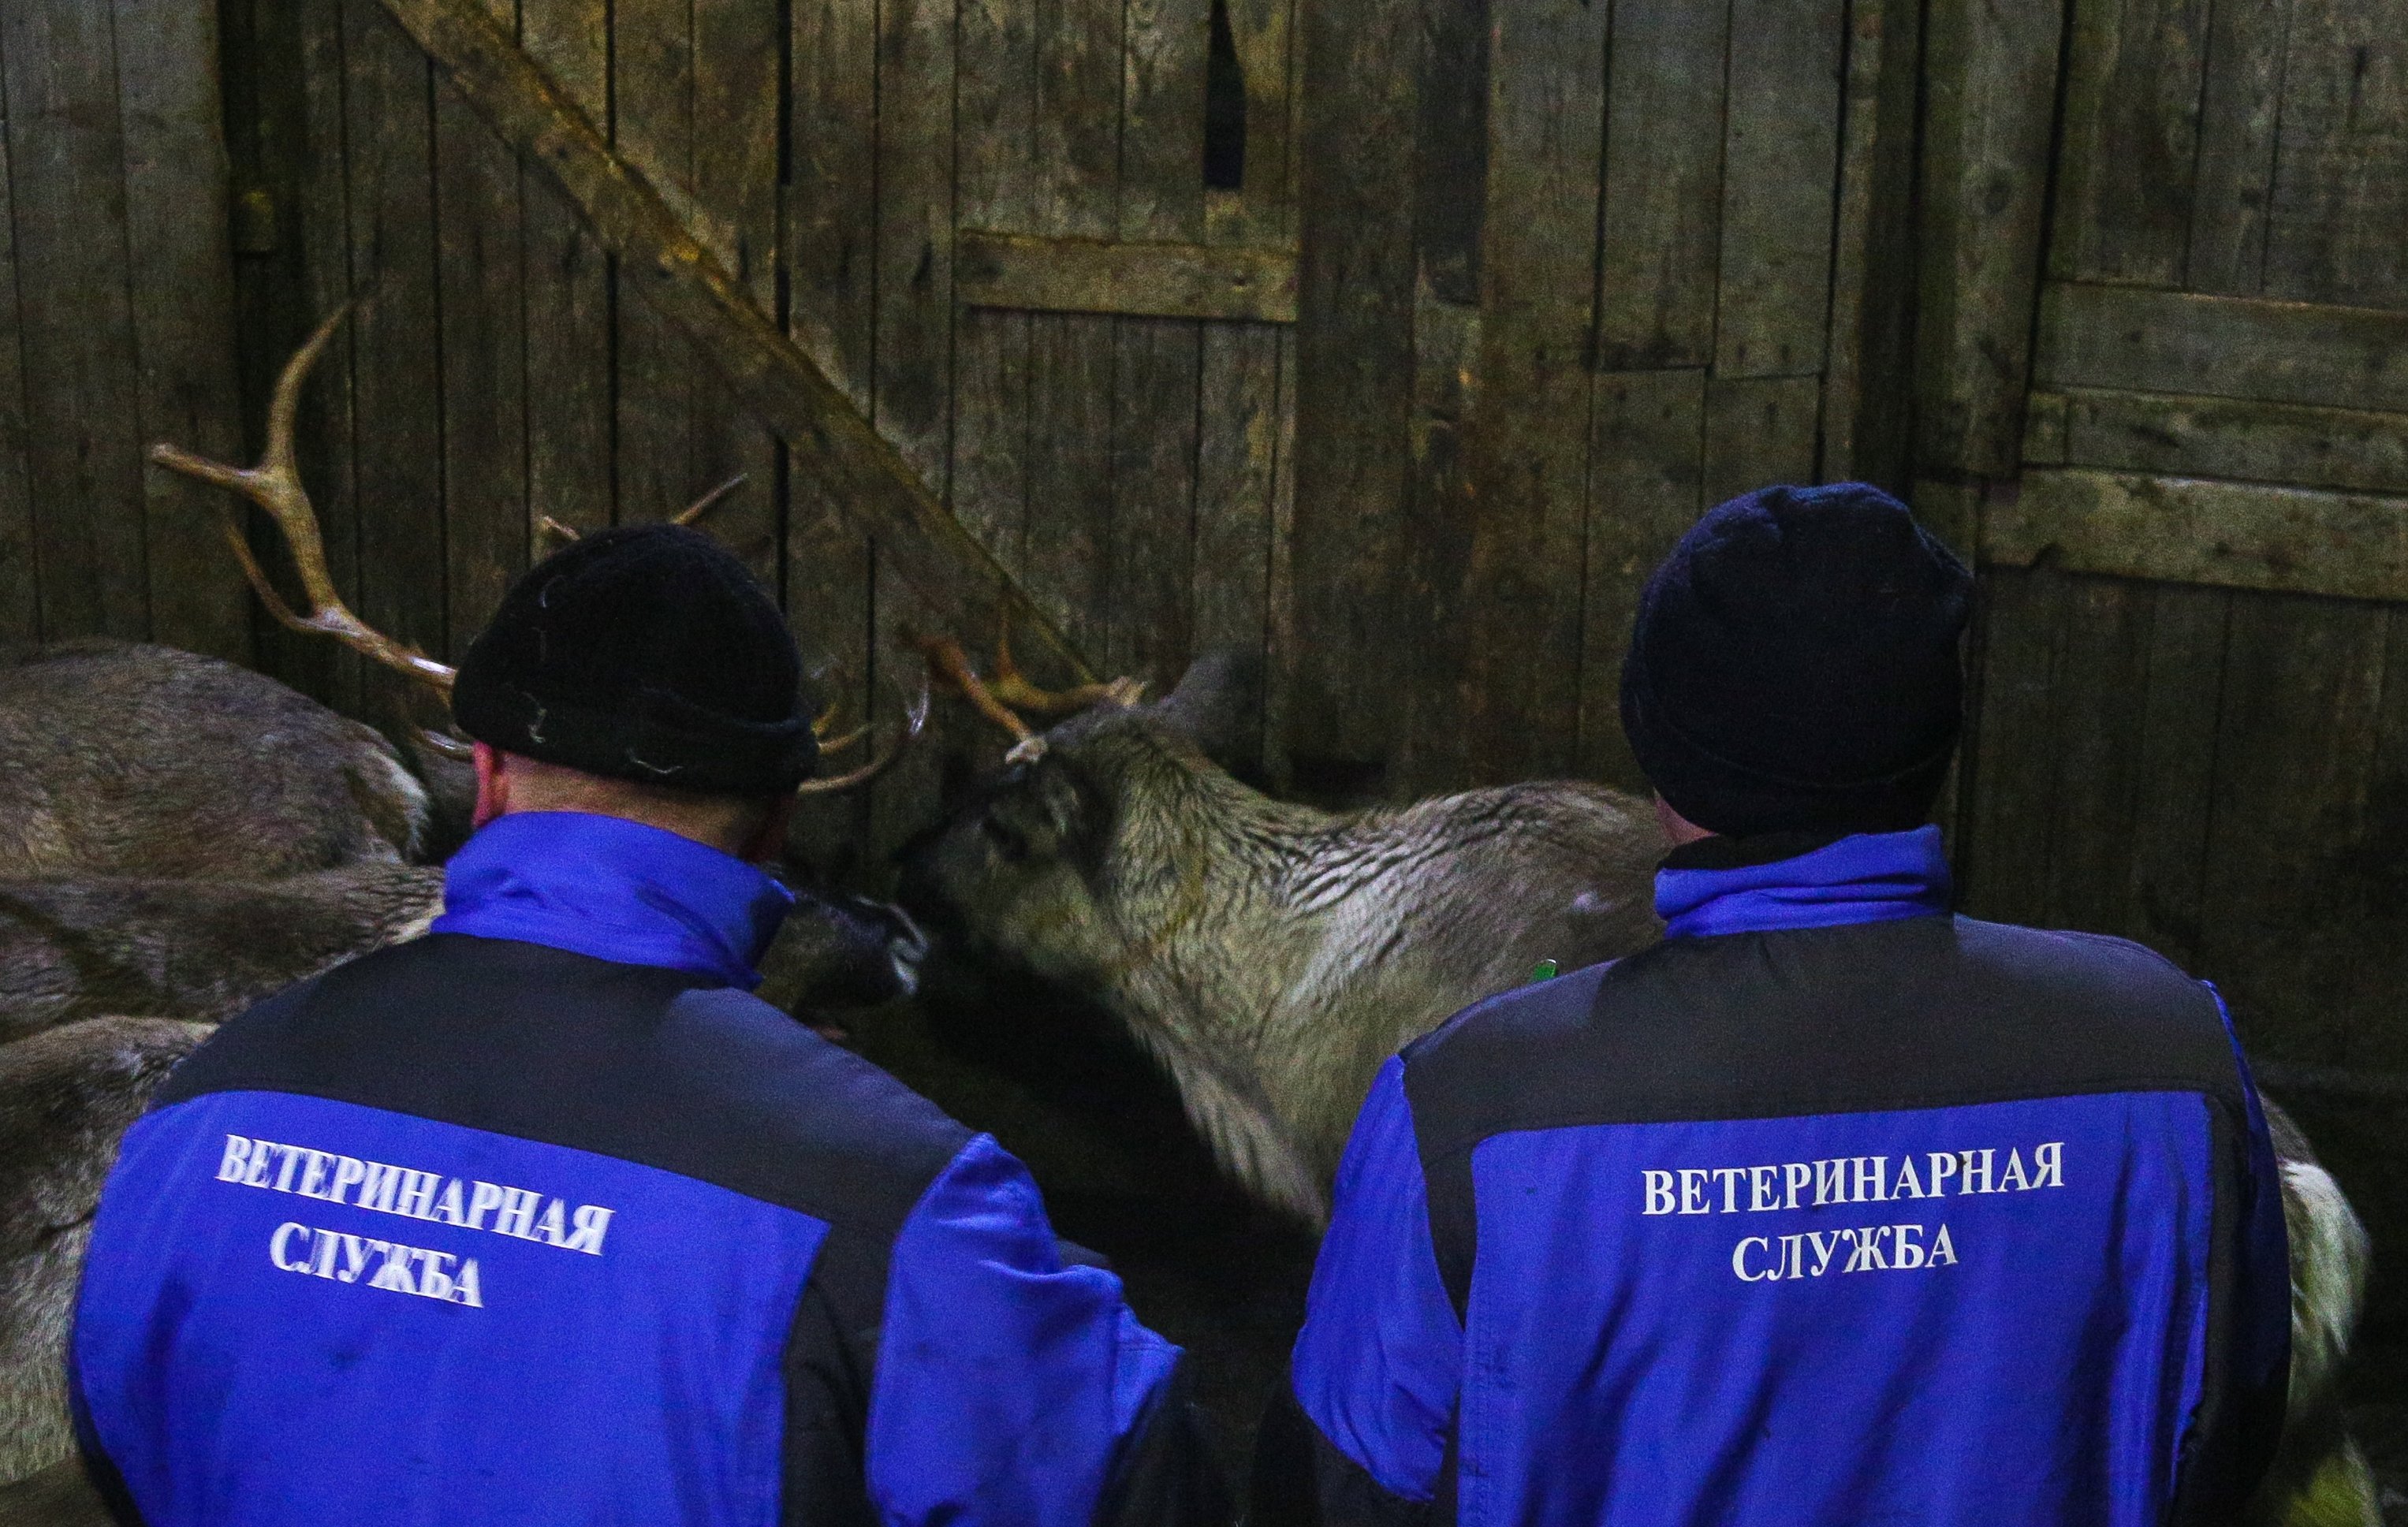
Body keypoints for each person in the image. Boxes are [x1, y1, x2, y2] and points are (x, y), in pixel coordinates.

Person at [69, 525, 1222, 1525]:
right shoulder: (907, 1208)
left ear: (488, 776)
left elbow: (126, 1447)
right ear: (774, 826)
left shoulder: (202, 1105)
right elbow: (1139, 1474)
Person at [1251, 484, 2291, 1525]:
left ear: (1659, 755)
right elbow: (2229, 1431)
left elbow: (1341, 1487)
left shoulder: (1464, 1111)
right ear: (1936, 746)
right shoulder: (2171, 1058)